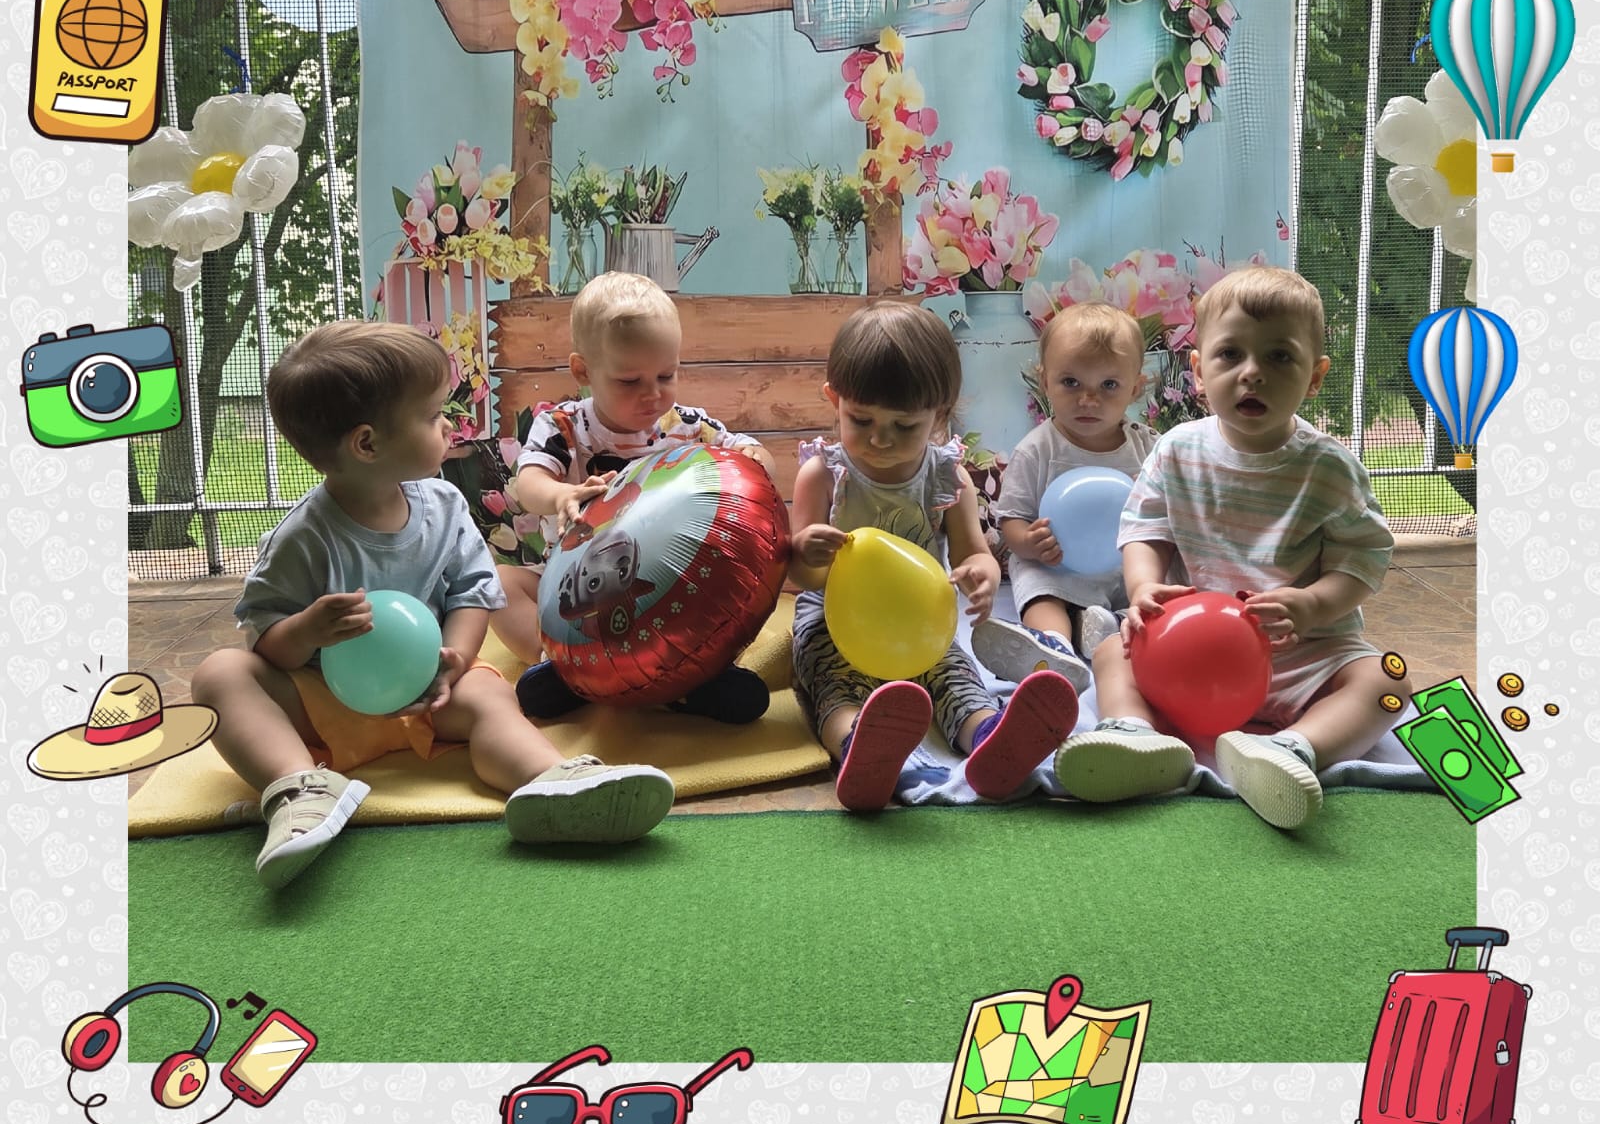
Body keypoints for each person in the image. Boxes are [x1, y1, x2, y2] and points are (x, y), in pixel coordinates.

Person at [191, 321, 674, 890]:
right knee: (220, 674)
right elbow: (266, 641)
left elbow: (472, 593)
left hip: (432, 695)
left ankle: (550, 781)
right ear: (367, 444)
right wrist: (307, 630)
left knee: (490, 694)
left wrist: (455, 660)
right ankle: (299, 789)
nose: (448, 425)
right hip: (328, 705)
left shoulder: (444, 506)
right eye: (431, 416)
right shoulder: (303, 538)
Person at [1054, 267, 1402, 830]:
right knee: (1112, 649)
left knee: (1387, 681)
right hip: (1188, 654)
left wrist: (1314, 604)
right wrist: (1143, 588)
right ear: (1198, 371)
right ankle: (1135, 736)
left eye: (1279, 357)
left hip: (1300, 653)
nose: (1252, 373)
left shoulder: (1331, 468)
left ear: (1315, 377)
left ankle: (1292, 749)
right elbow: (1144, 530)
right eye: (1230, 355)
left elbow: (1362, 560)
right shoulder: (1176, 451)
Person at [787, 300, 1080, 812]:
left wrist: (980, 576)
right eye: (861, 419)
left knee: (954, 675)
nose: (880, 439)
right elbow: (801, 577)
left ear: (939, 416)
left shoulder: (947, 477)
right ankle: (861, 747)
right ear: (834, 399)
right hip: (835, 622)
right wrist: (808, 550)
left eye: (904, 426)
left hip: (922, 624)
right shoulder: (824, 475)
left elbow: (975, 554)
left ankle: (989, 737)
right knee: (834, 683)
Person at [499, 272, 780, 725]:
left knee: (712, 604)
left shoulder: (688, 426)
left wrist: (754, 458)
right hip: (571, 587)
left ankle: (696, 679)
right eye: (630, 381)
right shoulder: (563, 426)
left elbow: (755, 458)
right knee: (499, 584)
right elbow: (529, 481)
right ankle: (561, 667)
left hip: (667, 587)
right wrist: (561, 493)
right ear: (583, 371)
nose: (653, 394)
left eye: (666, 375)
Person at [981, 302, 1157, 689]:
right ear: (1045, 382)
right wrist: (1028, 542)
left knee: (1150, 596)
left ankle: (1108, 628)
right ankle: (1053, 646)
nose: (1088, 400)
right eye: (1071, 383)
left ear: (1135, 388)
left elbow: (1165, 508)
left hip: (1125, 569)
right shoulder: (1038, 449)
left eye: (1108, 385)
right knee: (1040, 593)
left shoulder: (1147, 448)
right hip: (1055, 566)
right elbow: (1011, 517)